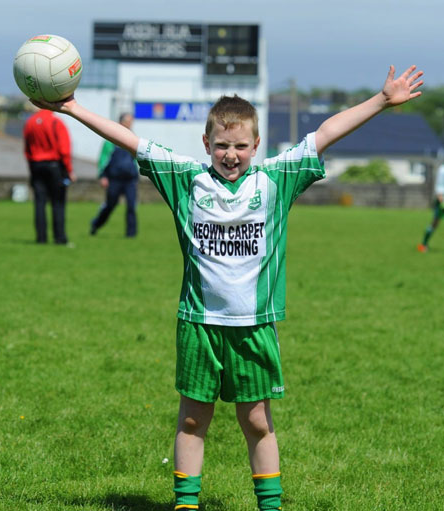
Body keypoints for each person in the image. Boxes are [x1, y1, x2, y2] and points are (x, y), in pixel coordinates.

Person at [32, 64, 423, 511]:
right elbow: (130, 141)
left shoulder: (276, 179)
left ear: (256, 144)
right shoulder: (185, 177)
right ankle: (185, 503)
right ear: (206, 144)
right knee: (194, 416)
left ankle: (269, 506)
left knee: (256, 419)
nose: (231, 154)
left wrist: (382, 100)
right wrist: (71, 107)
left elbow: (326, 132)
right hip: (199, 323)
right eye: (222, 145)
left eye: (240, 145)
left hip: (254, 325)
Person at [24, 108, 76, 244]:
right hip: (54, 166)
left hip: (36, 165)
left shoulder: (30, 122)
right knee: (58, 203)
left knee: (39, 203)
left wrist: (31, 167)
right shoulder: (56, 122)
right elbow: (64, 149)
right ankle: (60, 238)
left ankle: (41, 238)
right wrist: (69, 170)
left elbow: (27, 149)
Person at [90, 113, 139, 237]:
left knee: (131, 206)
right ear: (121, 122)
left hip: (130, 179)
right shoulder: (111, 138)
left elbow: (136, 158)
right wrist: (102, 175)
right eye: (128, 121)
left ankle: (131, 234)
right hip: (114, 179)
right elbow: (103, 158)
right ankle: (96, 224)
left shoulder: (133, 138)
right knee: (110, 205)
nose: (130, 124)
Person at [417, 164, 444, 252]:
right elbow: (439, 186)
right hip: (442, 201)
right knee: (435, 223)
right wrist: (441, 198)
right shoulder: (442, 170)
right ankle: (424, 244)